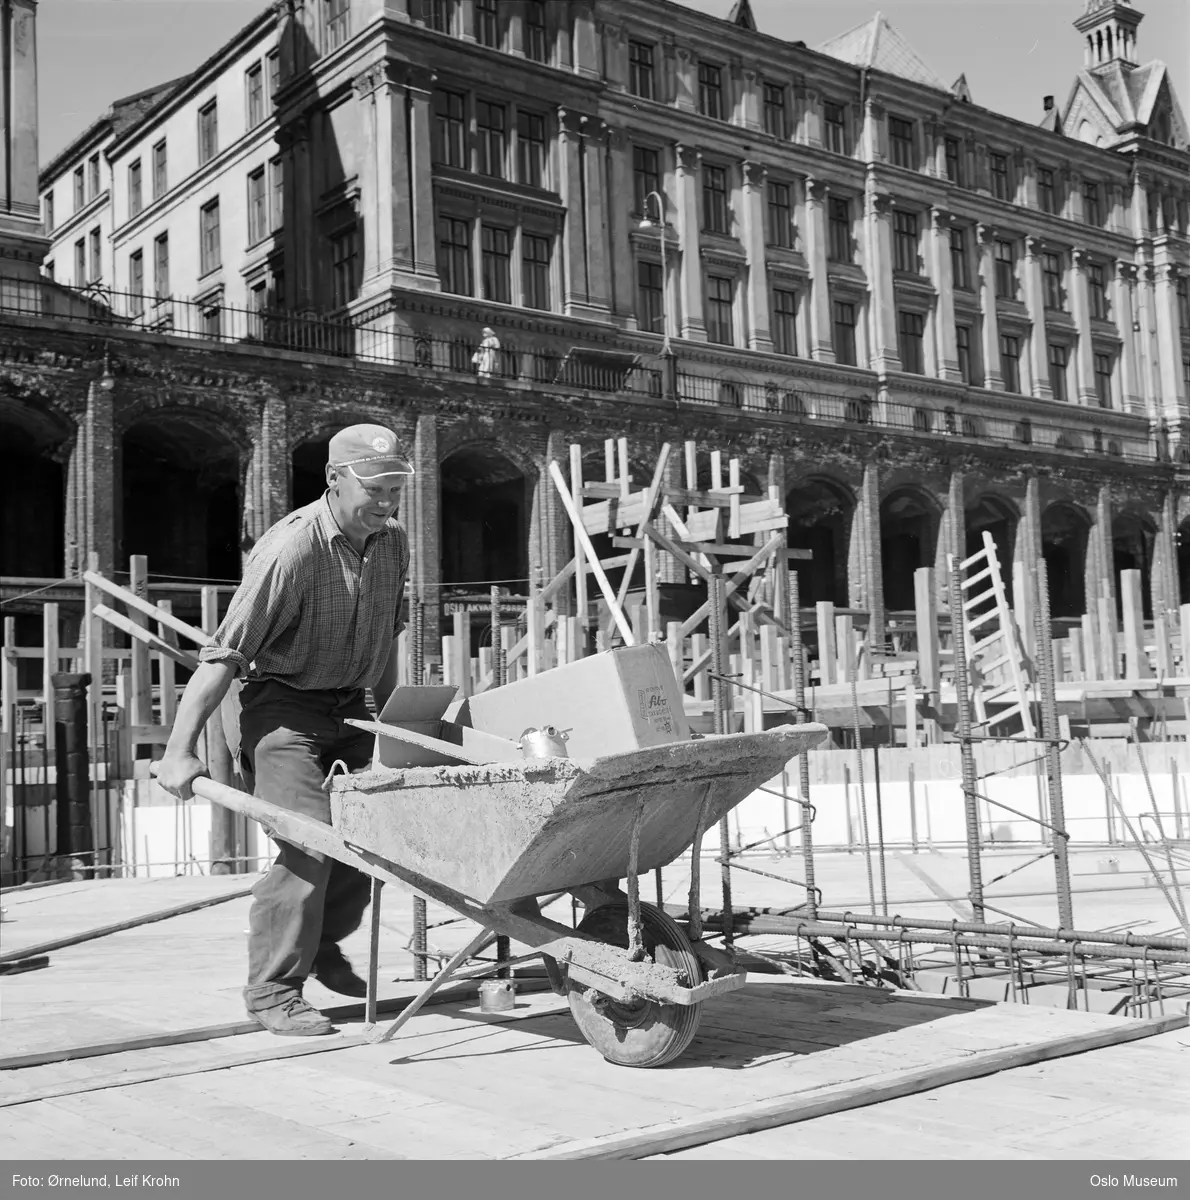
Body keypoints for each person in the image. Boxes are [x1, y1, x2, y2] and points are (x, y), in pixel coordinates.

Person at [157, 424, 413, 1037]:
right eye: (373, 487)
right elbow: (224, 656)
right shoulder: (292, 550)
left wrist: (392, 716)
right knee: (308, 841)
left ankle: (321, 944)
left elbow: (389, 635)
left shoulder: (393, 541)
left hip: (350, 706)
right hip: (281, 707)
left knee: (371, 837)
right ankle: (273, 989)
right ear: (334, 478)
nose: (384, 500)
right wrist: (177, 751)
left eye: (394, 486)